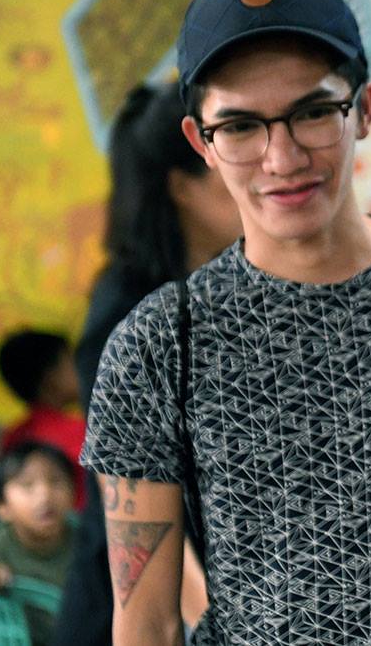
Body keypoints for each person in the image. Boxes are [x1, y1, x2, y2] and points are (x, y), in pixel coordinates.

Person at [80, 0, 371, 645]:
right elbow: (146, 621)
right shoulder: (158, 344)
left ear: (364, 109)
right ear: (201, 142)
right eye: (241, 126)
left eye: (314, 113)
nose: (282, 158)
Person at [54, 82, 243, 646]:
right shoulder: (126, 313)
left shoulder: (229, 287)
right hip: (140, 609)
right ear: (182, 187)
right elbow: (143, 508)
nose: (257, 183)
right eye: (229, 169)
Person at [0, 441, 78, 645]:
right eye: (27, 485)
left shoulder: (89, 539)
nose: (45, 495)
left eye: (55, 481)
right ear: (1, 506)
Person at [0, 330, 85, 509]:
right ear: (51, 376)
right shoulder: (79, 432)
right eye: (72, 361)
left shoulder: (9, 437)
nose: (81, 368)